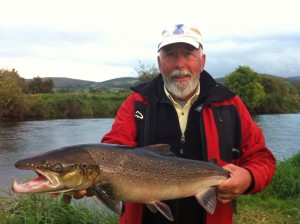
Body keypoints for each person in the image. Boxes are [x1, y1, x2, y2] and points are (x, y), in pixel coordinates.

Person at [72, 24, 276, 224]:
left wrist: (248, 177)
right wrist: (88, 179)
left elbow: (261, 157)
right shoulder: (136, 103)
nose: (179, 64)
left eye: (188, 54)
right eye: (170, 55)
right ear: (159, 63)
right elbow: (111, 150)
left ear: (202, 61)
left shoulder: (229, 104)